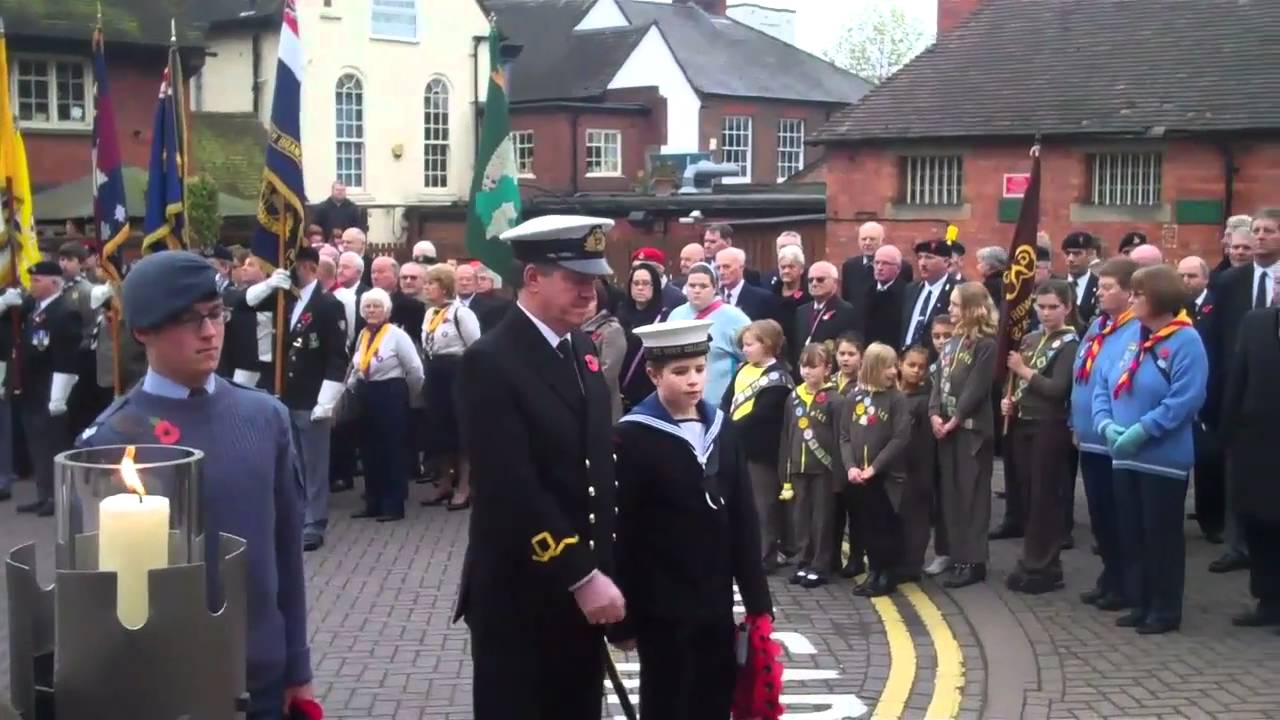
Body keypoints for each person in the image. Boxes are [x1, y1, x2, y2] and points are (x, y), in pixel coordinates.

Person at [74, 250, 313, 717]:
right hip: (164, 683)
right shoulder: (115, 438)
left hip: (260, 674)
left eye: (215, 314)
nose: (209, 331)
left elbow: (286, 547)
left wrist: (297, 665)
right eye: (188, 320)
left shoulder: (265, 415)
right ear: (143, 331)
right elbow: (99, 587)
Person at [456, 215, 625, 720]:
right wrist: (581, 575)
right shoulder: (491, 361)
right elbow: (511, 486)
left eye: (594, 281)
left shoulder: (580, 349)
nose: (589, 293)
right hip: (521, 593)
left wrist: (609, 571)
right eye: (576, 280)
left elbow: (596, 472)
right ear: (533, 278)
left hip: (580, 591)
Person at [611, 319, 772, 720]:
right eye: (680, 372)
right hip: (659, 601)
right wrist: (624, 620)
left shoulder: (722, 428)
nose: (693, 381)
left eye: (700, 369)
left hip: (714, 598)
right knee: (667, 699)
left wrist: (757, 603)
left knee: (714, 695)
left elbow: (743, 519)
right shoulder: (632, 436)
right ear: (653, 374)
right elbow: (624, 532)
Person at [1093, 264, 1207, 635]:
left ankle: (1165, 607)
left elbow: (1186, 399)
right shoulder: (1133, 337)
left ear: (1158, 297)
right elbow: (1104, 382)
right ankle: (1140, 601)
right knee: (1132, 532)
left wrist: (1143, 429)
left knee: (1161, 535)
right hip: (1124, 455)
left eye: (1139, 294)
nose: (1133, 299)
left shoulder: (1186, 341)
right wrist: (1106, 423)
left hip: (1161, 458)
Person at [243, 247, 348, 552]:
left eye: (292, 270)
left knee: (314, 464)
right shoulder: (287, 302)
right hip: (287, 396)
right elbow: (247, 304)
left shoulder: (328, 305)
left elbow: (336, 355)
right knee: (293, 463)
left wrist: (327, 399)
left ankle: (315, 522)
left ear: (307, 267)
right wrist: (268, 285)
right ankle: (298, 515)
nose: (288, 276)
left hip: (312, 396)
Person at [1204, 210, 1280, 574]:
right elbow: (1214, 338)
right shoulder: (1230, 281)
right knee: (1238, 475)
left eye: (1269, 231)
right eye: (1257, 231)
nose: (1260, 237)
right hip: (1239, 394)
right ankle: (1237, 545)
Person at [1000, 281, 1080, 594]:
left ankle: (1044, 565)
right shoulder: (1031, 339)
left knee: (1046, 497)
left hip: (1050, 426)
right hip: (1023, 423)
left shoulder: (1070, 344)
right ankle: (1030, 560)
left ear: (1067, 308)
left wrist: (1023, 371)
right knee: (1028, 496)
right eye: (1041, 306)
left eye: (1053, 307)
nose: (1045, 313)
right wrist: (1009, 401)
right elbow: (1012, 382)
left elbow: (1057, 389)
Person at [1071, 258, 1141, 611]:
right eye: (1099, 286)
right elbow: (1081, 374)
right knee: (1099, 514)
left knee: (1119, 516)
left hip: (1116, 441)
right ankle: (1109, 575)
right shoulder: (1099, 325)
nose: (1099, 292)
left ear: (1130, 293)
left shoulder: (1136, 330)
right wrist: (1075, 421)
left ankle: (1126, 582)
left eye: (1108, 287)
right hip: (1090, 438)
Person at [0, 261, 83, 516]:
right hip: (30, 390)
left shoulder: (64, 311)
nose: (31, 285)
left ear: (54, 283)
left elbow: (66, 357)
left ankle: (58, 498)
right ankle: (43, 494)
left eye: (37, 281)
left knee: (53, 446)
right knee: (38, 446)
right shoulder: (31, 309)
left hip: (50, 391)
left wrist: (58, 396)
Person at [929, 281, 997, 588]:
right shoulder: (953, 341)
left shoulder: (986, 345)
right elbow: (938, 380)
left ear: (972, 308)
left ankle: (974, 560)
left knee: (972, 496)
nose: (951, 310)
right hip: (946, 430)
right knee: (952, 495)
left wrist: (955, 418)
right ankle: (957, 555)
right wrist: (934, 412)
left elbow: (976, 388)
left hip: (971, 431)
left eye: (956, 305)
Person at [1220, 296, 1280, 630]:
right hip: (1256, 448)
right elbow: (1237, 379)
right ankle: (1267, 600)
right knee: (1259, 526)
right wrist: (1227, 436)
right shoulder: (1255, 323)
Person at [839, 342, 911, 597]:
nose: (894, 371)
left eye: (895, 366)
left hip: (885, 478)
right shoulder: (854, 397)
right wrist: (850, 467)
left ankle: (886, 573)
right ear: (873, 368)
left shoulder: (896, 399)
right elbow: (844, 435)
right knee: (866, 526)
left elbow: (900, 438)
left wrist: (875, 467)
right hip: (859, 477)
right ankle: (874, 571)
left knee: (884, 528)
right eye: (888, 366)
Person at [348, 288, 424, 521]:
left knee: (392, 450)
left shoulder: (397, 335)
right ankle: (373, 502)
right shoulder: (362, 334)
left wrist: (408, 396)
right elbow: (358, 365)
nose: (371, 310)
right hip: (366, 393)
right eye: (368, 306)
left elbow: (415, 370)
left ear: (386, 310)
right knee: (369, 450)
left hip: (390, 393)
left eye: (376, 306)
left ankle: (393, 505)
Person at [724, 319, 794, 572]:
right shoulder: (744, 369)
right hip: (737, 446)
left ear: (767, 345)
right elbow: (727, 399)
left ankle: (766, 555)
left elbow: (762, 415)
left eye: (749, 344)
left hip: (761, 451)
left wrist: (730, 429)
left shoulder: (780, 377)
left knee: (762, 506)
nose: (745, 349)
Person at [419, 263, 481, 510]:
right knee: (439, 430)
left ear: (444, 287)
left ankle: (464, 487)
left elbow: (475, 346)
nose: (426, 288)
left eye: (430, 283)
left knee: (460, 431)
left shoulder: (461, 313)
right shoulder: (430, 313)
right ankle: (444, 483)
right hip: (435, 373)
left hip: (457, 372)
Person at [780, 343, 838, 588]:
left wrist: (839, 476)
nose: (807, 371)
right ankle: (804, 561)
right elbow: (786, 435)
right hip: (798, 468)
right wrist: (785, 470)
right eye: (804, 366)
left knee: (822, 519)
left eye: (813, 367)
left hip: (824, 470)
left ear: (827, 369)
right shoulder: (794, 397)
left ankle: (820, 564)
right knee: (801, 518)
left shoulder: (835, 399)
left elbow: (839, 438)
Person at [1179, 256, 1223, 544]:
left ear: (1206, 279)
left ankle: (1213, 522)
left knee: (1209, 464)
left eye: (1192, 276)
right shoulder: (1176, 310)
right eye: (1181, 276)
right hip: (1181, 396)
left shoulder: (1218, 307)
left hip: (1211, 395)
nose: (1186, 282)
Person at [667, 262, 750, 403]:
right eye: (692, 286)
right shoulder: (676, 315)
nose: (697, 290)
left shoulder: (736, 318)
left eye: (703, 286)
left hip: (720, 403)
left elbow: (752, 358)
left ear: (715, 288)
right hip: (680, 401)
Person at [897, 345, 935, 582]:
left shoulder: (924, 401)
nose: (916, 371)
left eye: (922, 367)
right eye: (911, 365)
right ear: (900, 364)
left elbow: (924, 443)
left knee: (916, 518)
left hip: (917, 468)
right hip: (895, 467)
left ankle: (913, 564)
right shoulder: (893, 395)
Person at [792, 261, 857, 370]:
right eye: (810, 280)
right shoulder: (801, 311)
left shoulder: (846, 311)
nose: (814, 283)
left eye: (820, 280)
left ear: (835, 283)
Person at [901, 239, 960, 356]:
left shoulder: (956, 291)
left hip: (937, 360)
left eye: (929, 258)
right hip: (906, 359)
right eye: (920, 258)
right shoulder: (911, 289)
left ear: (946, 262)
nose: (922, 263)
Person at [581, 282, 626, 422]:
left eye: (592, 299)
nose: (586, 303)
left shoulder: (611, 330)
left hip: (602, 408)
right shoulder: (573, 328)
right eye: (582, 298)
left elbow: (608, 375)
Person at [841, 221, 913, 304]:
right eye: (864, 239)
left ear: (882, 241)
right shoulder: (849, 267)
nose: (867, 243)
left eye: (872, 239)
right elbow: (846, 300)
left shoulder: (901, 267)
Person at [716, 247, 779, 322]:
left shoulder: (763, 299)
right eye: (718, 268)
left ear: (742, 267)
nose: (721, 272)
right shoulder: (714, 298)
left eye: (726, 267)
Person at [774, 244, 810, 358]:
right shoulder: (771, 293)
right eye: (782, 267)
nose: (786, 271)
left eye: (791, 267)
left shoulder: (809, 295)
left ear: (801, 269)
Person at [1062, 232, 1101, 324]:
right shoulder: (1055, 285)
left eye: (1077, 254)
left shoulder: (1099, 286)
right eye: (1067, 253)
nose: (1070, 259)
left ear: (1090, 255)